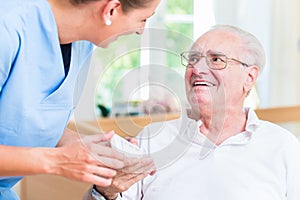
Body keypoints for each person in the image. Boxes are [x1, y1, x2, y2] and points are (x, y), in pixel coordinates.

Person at [92, 25, 300, 200]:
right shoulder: (152, 137)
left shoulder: (282, 146)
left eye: (216, 59)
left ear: (249, 78)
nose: (197, 68)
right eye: (192, 59)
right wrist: (107, 189)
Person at [0, 0, 160, 199]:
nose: (141, 31)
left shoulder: (81, 44)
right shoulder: (7, 27)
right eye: (143, 19)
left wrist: (93, 149)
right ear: (111, 10)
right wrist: (56, 161)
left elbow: (24, 119)